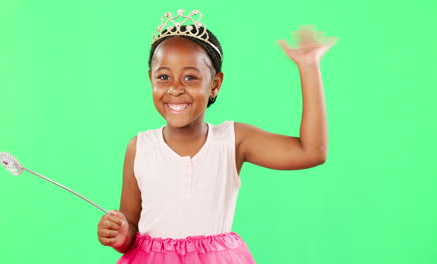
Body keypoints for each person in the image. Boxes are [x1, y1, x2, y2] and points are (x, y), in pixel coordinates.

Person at [97, 9, 338, 264]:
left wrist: (309, 67)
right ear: (151, 80)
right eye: (163, 77)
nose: (175, 88)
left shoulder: (233, 141)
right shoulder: (140, 147)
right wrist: (120, 233)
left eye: (190, 77)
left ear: (215, 84)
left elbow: (312, 151)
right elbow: (130, 226)